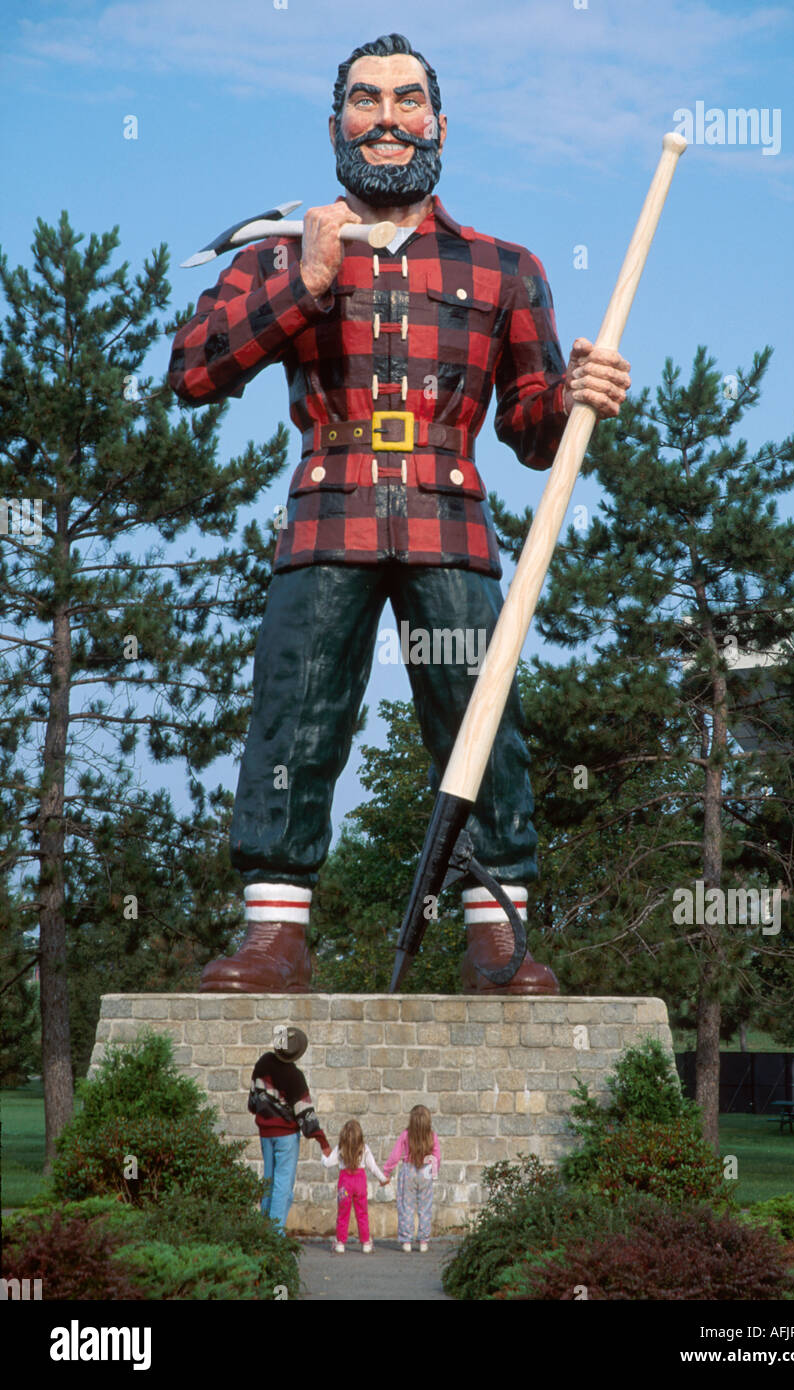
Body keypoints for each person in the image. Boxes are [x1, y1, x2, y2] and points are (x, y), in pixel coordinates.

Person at [169, 32, 631, 997]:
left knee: (479, 716)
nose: (387, 118)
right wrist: (306, 282)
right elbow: (194, 372)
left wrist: (578, 394)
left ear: (439, 123)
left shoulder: (505, 268)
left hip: (449, 521)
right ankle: (274, 938)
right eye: (366, 100)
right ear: (336, 122)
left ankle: (495, 938)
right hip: (324, 518)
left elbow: (533, 434)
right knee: (294, 714)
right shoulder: (284, 252)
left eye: (407, 101)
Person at [250, 1025, 331, 1233]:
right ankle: (274, 1235)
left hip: (265, 1133)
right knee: (283, 1186)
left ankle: (262, 1228)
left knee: (268, 1181)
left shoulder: (262, 1063)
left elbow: (252, 1102)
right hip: (285, 1135)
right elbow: (305, 1115)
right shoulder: (294, 1076)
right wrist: (322, 1142)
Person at [321, 1117, 387, 1253]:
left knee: (343, 1213)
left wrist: (323, 1154)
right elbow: (373, 1167)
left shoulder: (340, 1148)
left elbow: (327, 1163)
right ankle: (366, 1243)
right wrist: (382, 1178)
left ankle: (340, 1243)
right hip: (360, 1182)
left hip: (345, 1182)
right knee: (362, 1213)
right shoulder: (364, 1148)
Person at [381, 1104, 441, 1251]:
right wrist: (433, 1172)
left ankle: (406, 1240)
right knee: (425, 1207)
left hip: (409, 1169)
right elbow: (437, 1156)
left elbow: (395, 1156)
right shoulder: (432, 1135)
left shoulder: (406, 1135)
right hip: (426, 1170)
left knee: (406, 1207)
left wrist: (386, 1172)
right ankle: (423, 1241)